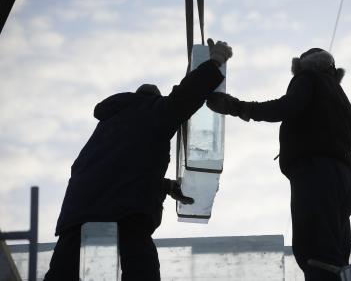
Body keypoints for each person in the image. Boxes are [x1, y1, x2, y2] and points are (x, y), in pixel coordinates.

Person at [44, 39, 233, 281]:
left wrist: (165, 186)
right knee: (142, 270)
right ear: (154, 99)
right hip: (127, 212)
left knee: (62, 273)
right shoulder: (152, 111)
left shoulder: (108, 125)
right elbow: (187, 95)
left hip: (80, 210)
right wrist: (215, 61)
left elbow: (122, 168)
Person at [207, 48, 351, 281]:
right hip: (343, 180)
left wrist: (236, 107)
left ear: (302, 67)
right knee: (335, 254)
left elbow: (285, 107)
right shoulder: (342, 99)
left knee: (315, 250)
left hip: (315, 173)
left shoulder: (307, 79)